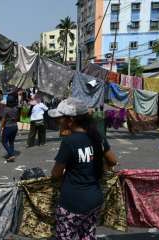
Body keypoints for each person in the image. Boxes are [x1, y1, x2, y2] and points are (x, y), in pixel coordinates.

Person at [48, 98, 118, 240]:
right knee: (87, 236)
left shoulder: (69, 142)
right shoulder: (97, 136)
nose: (58, 122)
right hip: (94, 199)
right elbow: (112, 161)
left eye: (59, 119)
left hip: (72, 201)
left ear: (70, 120)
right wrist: (94, 169)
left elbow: (55, 173)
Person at [0, 95, 19, 162]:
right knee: (11, 142)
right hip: (15, 126)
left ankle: (11, 155)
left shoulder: (6, 109)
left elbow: (3, 120)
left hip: (8, 127)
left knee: (4, 141)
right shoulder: (16, 109)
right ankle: (11, 153)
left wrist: (0, 128)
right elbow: (16, 119)